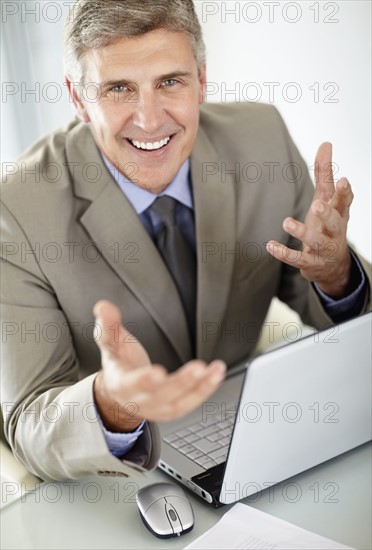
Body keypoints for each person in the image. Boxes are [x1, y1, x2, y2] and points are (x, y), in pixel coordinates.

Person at [1, 0, 370, 482]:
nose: (150, 120)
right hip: (114, 472)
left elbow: (325, 311)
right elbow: (28, 419)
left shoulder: (262, 139)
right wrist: (115, 405)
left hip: (248, 434)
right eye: (118, 88)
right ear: (77, 97)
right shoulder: (17, 209)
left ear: (201, 78)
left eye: (170, 81)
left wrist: (338, 275)